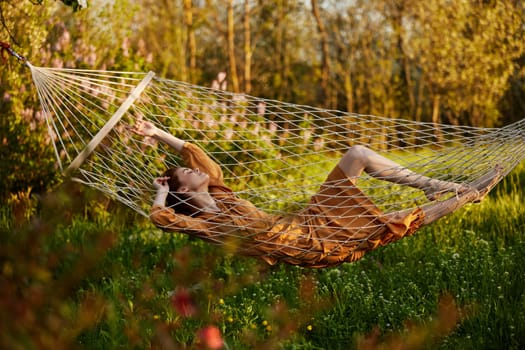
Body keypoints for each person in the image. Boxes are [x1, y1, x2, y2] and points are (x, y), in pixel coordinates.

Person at [132, 120, 500, 268]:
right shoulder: (209, 225)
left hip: (307, 222)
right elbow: (160, 219)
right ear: (181, 189)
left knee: (356, 153)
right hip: (313, 245)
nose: (196, 170)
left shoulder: (220, 195)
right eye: (186, 173)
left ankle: (439, 187)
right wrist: (160, 193)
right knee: (392, 223)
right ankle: (468, 195)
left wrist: (159, 133)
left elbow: (206, 165)